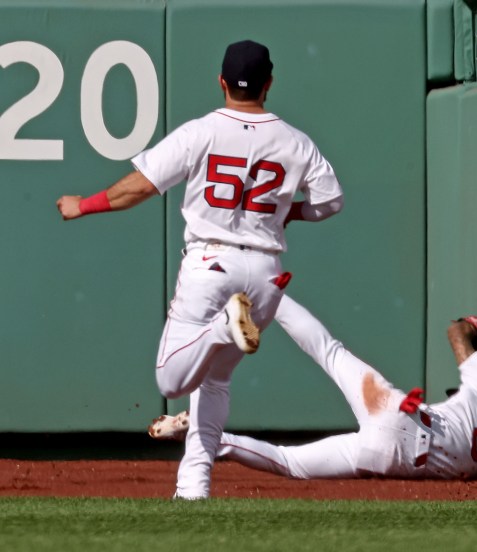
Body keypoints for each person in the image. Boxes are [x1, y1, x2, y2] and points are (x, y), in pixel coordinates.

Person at [57, 40, 344, 499]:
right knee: (216, 382)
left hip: (212, 264)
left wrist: (83, 205)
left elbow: (141, 187)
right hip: (266, 273)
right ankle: (194, 485)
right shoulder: (296, 141)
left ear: (222, 82)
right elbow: (331, 202)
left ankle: (221, 329)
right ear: (269, 84)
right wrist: (292, 214)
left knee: (171, 379)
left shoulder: (202, 131)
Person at [150, 295, 477, 481]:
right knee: (288, 462)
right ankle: (203, 435)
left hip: (401, 413)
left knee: (327, 349)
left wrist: (475, 328)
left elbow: (457, 332)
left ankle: (263, 292)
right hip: (389, 458)